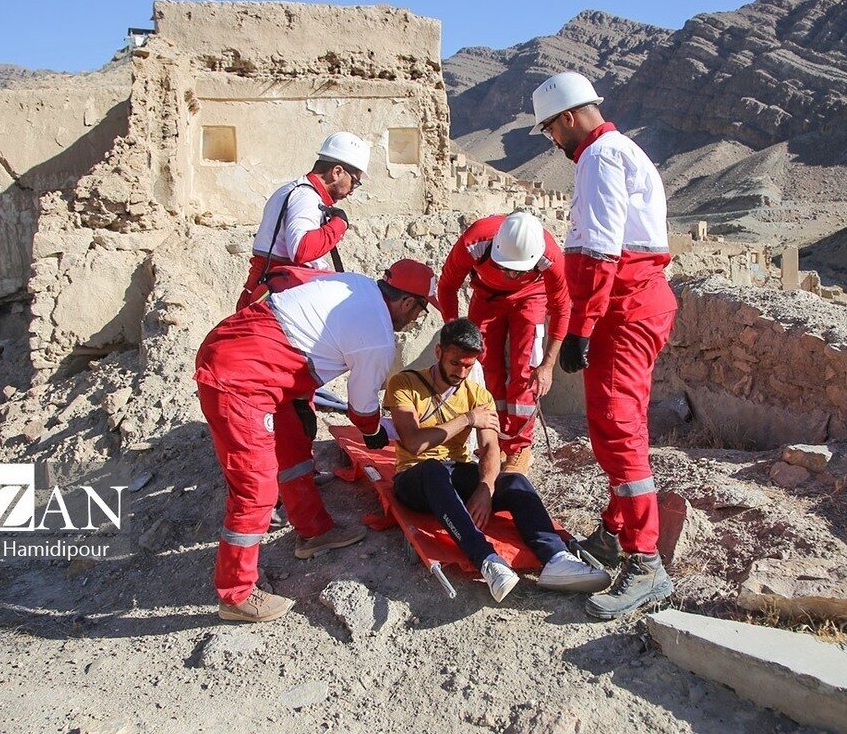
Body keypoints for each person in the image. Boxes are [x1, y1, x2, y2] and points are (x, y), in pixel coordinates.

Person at [195, 259, 439, 623]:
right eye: (419, 311)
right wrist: (376, 433)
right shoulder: (378, 336)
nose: (416, 320)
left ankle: (314, 531)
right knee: (255, 488)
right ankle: (236, 594)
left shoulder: (356, 283)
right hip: (241, 376)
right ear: (407, 303)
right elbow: (361, 409)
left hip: (256, 353)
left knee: (294, 448)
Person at [530, 71, 679, 619]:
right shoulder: (618, 151)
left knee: (617, 427)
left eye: (550, 129)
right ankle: (617, 533)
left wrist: (580, 328)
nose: (552, 140)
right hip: (634, 303)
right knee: (617, 423)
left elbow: (598, 254)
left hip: (624, 308)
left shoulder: (599, 157)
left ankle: (645, 563)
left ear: (568, 118)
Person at [383, 319, 611, 603]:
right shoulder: (405, 383)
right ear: (439, 352)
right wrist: (467, 419)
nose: (461, 372)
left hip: (454, 469)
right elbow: (414, 442)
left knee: (514, 480)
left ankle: (556, 558)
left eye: (469, 366)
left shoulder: (477, 394)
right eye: (456, 363)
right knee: (432, 470)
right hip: (414, 476)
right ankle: (487, 560)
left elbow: (490, 446)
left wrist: (486, 488)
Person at [437, 212, 569, 475]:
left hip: (531, 296)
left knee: (526, 368)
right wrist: (455, 333)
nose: (510, 274)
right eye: (505, 267)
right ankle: (492, 439)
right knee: (482, 367)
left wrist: (548, 365)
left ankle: (518, 447)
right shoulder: (475, 241)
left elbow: (562, 309)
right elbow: (447, 285)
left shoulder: (550, 257)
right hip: (486, 295)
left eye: (517, 270)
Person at [236, 132, 370, 310]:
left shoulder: (295, 190)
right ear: (337, 172)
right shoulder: (305, 197)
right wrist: (338, 225)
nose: (352, 191)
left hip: (270, 294)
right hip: (278, 301)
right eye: (354, 182)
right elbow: (301, 249)